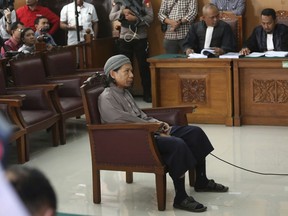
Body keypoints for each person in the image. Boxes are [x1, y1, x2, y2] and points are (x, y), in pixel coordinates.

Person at [98, 54, 229, 212]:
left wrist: (159, 124)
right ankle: (180, 197)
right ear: (112, 74)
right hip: (136, 140)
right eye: (126, 71)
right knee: (177, 144)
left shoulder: (125, 92)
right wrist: (155, 128)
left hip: (149, 131)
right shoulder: (107, 97)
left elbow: (140, 115)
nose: (132, 75)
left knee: (195, 133)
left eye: (131, 71)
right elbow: (123, 123)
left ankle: (201, 180)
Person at [109, 0, 153, 103]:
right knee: (123, 69)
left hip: (140, 38)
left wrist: (136, 19)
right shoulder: (119, 1)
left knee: (144, 68)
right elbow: (111, 17)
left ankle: (147, 94)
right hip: (124, 38)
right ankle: (124, 95)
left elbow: (150, 18)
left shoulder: (144, 1)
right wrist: (122, 12)